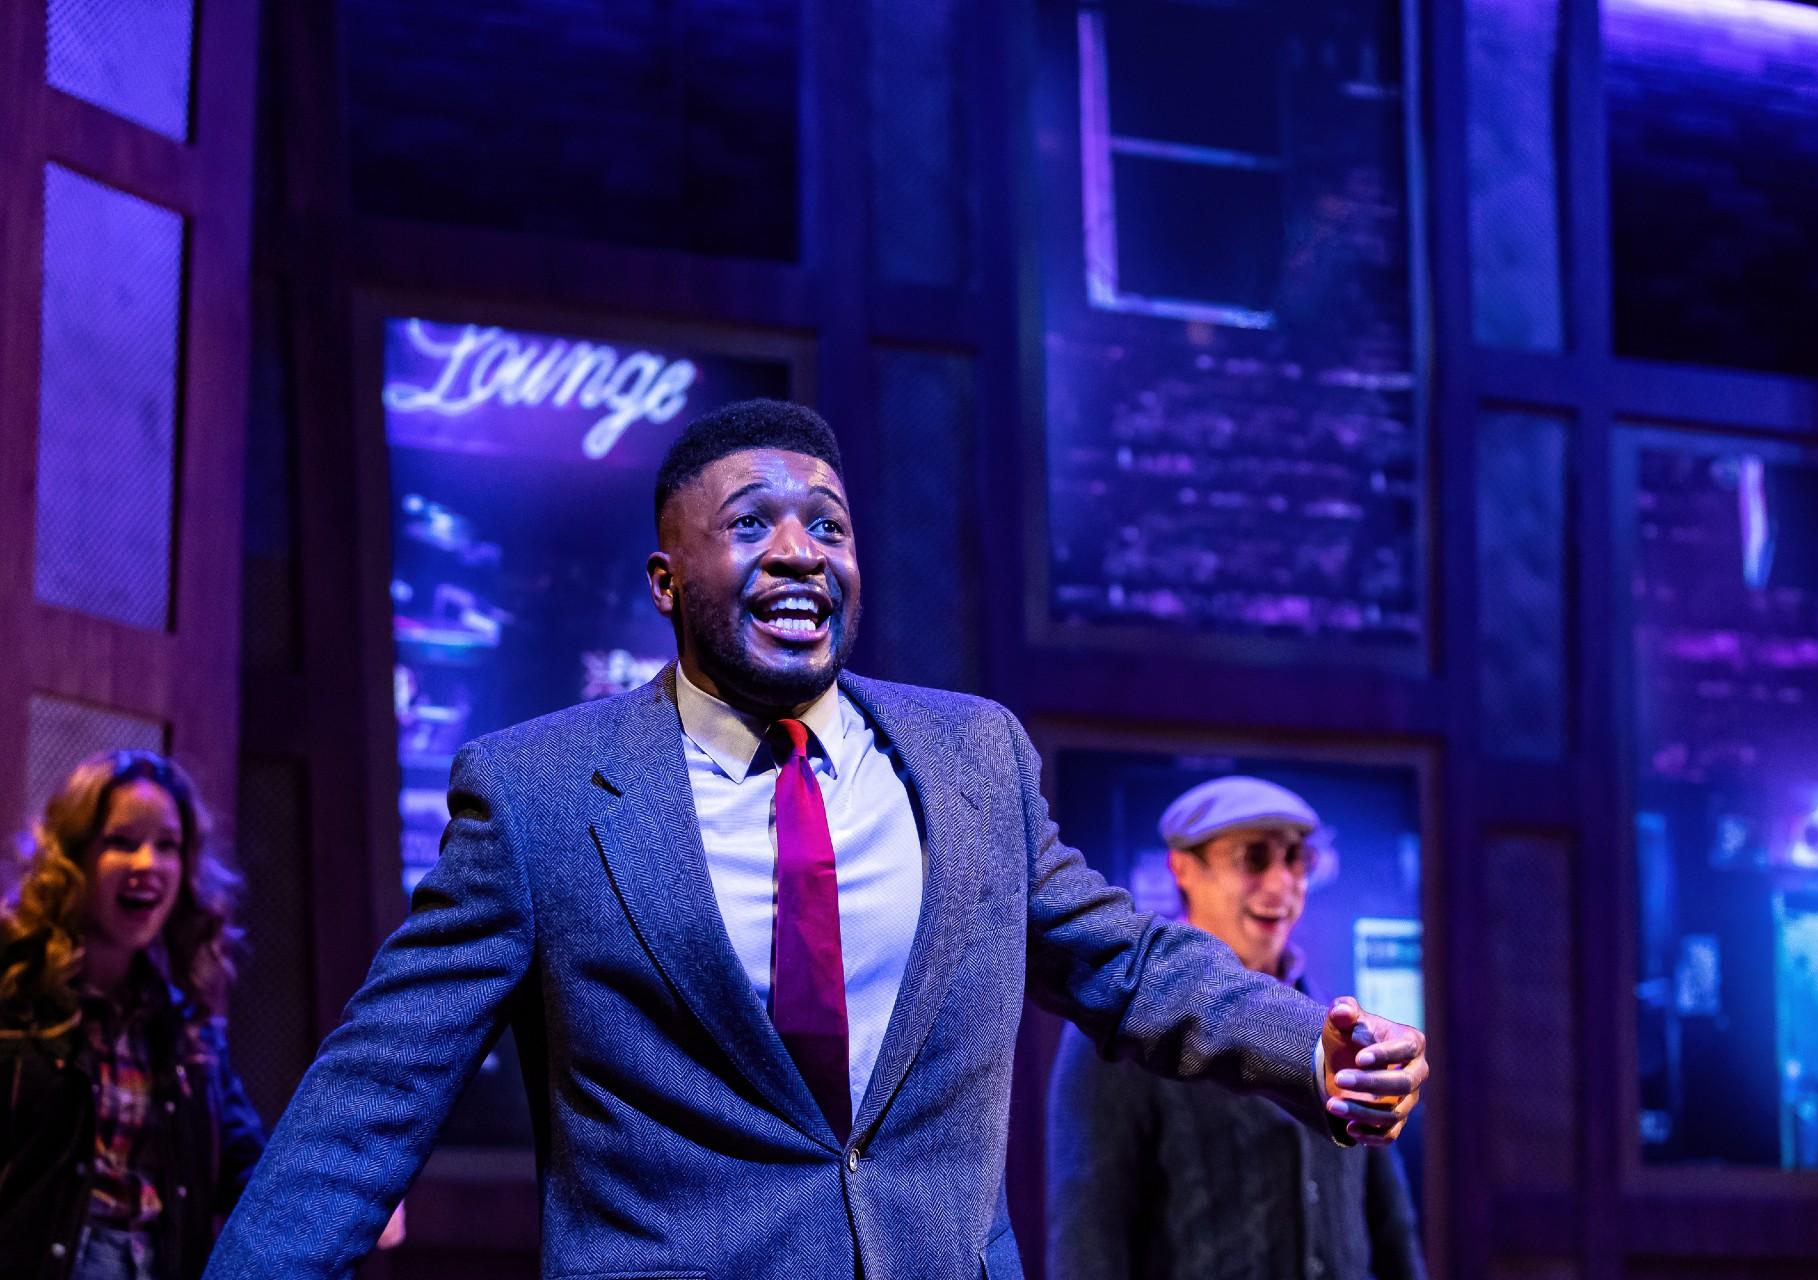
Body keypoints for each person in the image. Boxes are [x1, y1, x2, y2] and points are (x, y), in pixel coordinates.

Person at [205, 400, 1429, 1280]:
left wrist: (1307, 1048)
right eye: (750, 524)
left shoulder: (971, 757)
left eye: (827, 525)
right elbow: (372, 1095)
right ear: (666, 578)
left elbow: (1128, 961)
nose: (799, 549)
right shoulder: (538, 794)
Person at [1048, 776, 1425, 1280]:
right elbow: (1087, 1241)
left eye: (1295, 859)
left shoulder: (1331, 1016)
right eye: (1253, 858)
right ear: (1183, 868)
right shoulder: (1121, 1032)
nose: (1281, 885)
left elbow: (1390, 1223)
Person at [0, 751, 266, 1280]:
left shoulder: (185, 1028)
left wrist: (346, 1196)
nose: (147, 864)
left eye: (167, 846)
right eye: (122, 843)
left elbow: (247, 1170)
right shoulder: (14, 995)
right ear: (74, 858)